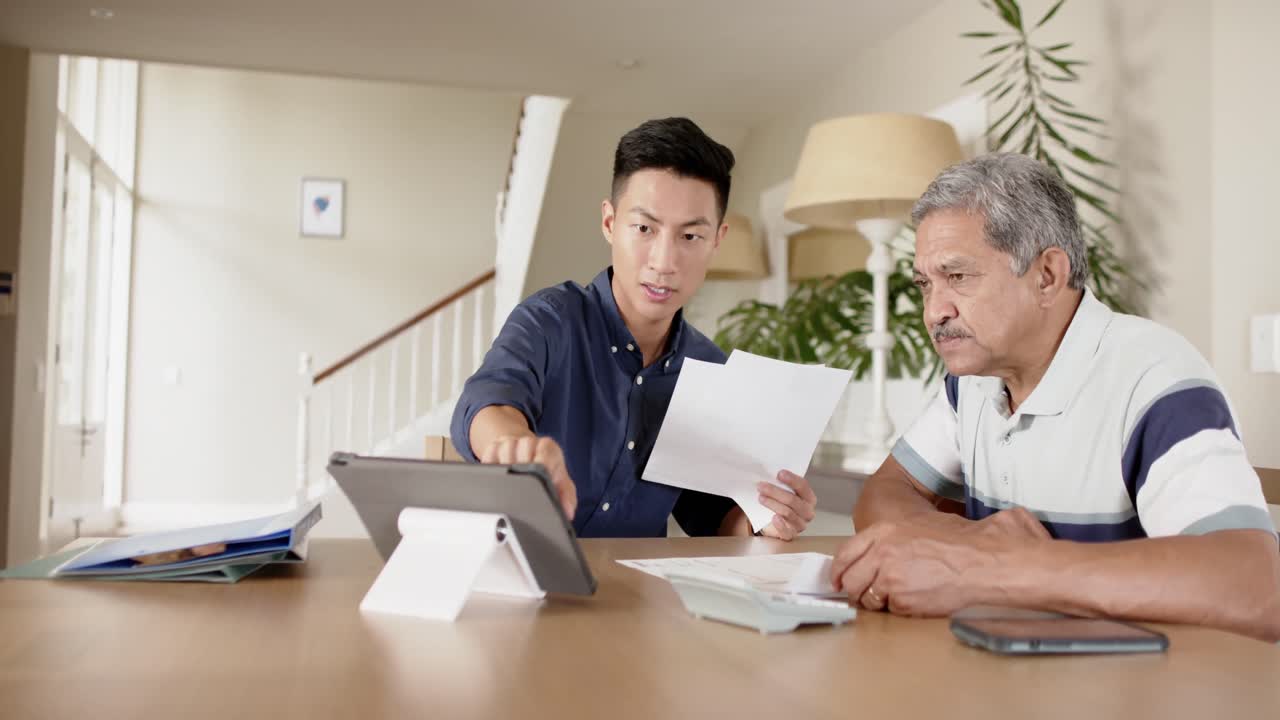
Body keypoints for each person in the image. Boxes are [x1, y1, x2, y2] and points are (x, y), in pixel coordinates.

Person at [830, 152, 1280, 641]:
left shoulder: (1155, 377)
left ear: (1047, 275)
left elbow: (1255, 583)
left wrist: (993, 569)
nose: (934, 311)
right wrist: (970, 544)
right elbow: (884, 494)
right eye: (925, 284)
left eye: (957, 277)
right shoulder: (975, 381)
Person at [450, 117, 817, 539]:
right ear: (609, 223)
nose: (663, 261)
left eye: (691, 236)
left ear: (717, 239)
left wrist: (769, 518)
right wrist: (513, 447)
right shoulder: (549, 320)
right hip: (528, 582)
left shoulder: (709, 368)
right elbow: (487, 403)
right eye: (644, 228)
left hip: (640, 597)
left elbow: (714, 522)